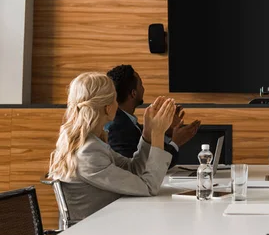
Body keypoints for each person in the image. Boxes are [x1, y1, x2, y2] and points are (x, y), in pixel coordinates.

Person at [48, 72, 177, 222]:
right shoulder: (89, 153)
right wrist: (158, 134)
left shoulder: (88, 143)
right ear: (107, 108)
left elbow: (133, 170)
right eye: (115, 99)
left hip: (103, 227)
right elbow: (149, 187)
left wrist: (148, 134)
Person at [106, 65, 199, 168]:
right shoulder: (118, 127)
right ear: (133, 93)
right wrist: (176, 142)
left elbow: (149, 152)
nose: (143, 88)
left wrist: (164, 131)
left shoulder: (127, 120)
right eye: (141, 84)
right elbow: (143, 167)